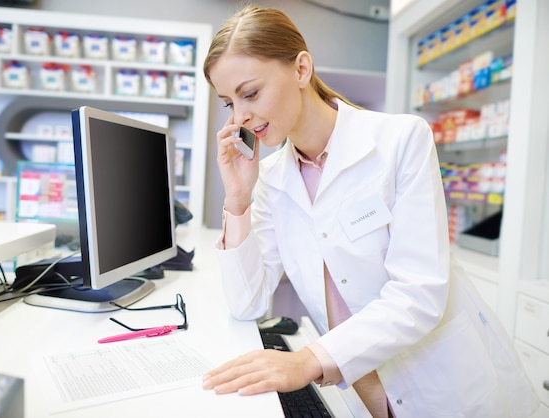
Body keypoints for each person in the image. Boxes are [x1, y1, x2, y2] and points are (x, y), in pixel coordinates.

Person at [200, 5, 539, 418]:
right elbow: (247, 304)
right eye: (228, 103)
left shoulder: (401, 141)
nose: (241, 117)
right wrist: (236, 201)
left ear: (301, 69)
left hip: (442, 384)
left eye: (250, 93)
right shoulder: (271, 178)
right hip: (362, 390)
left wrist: (306, 361)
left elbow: (419, 293)